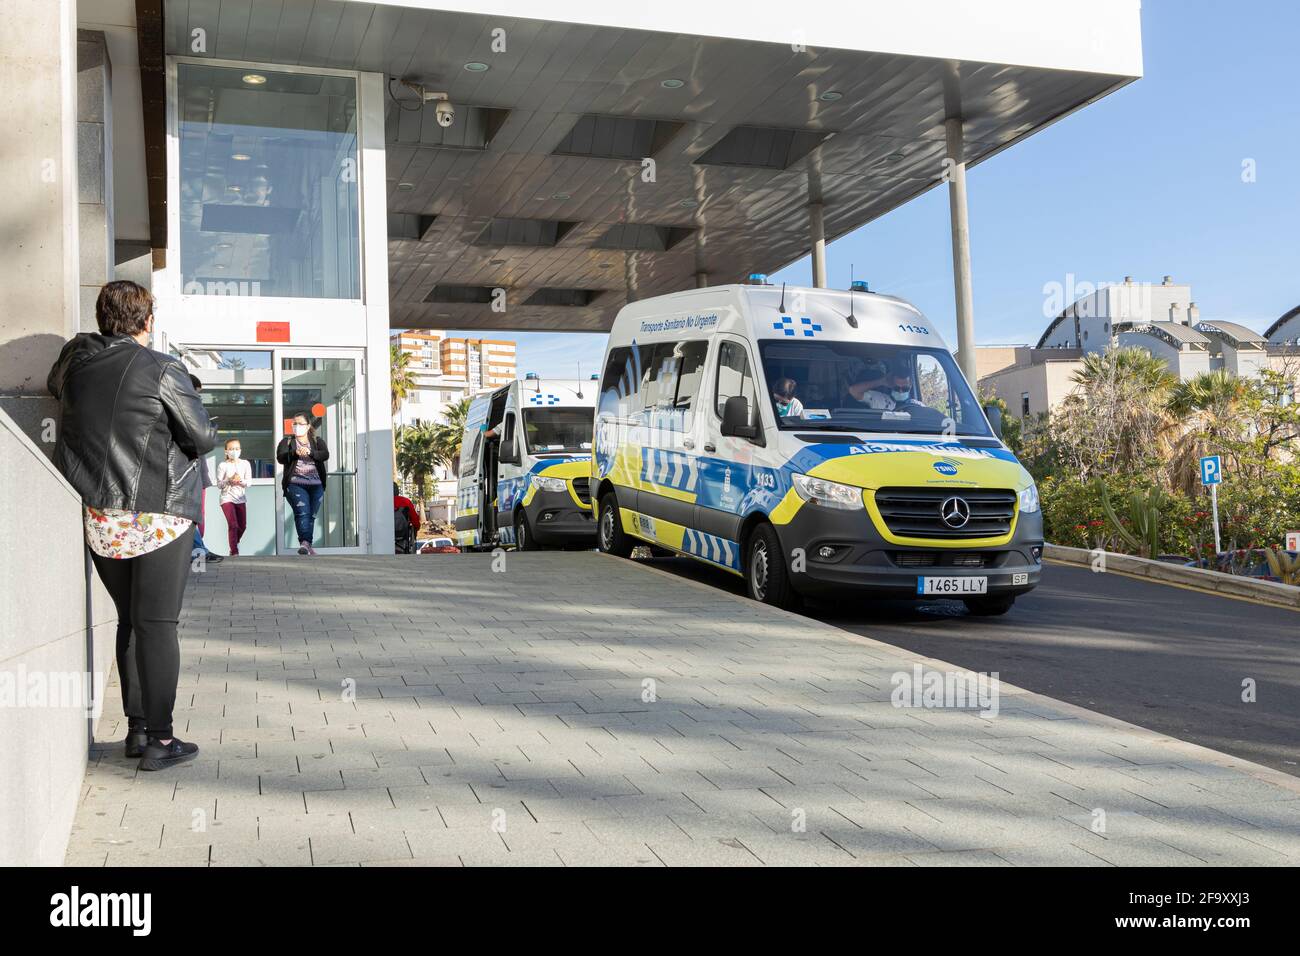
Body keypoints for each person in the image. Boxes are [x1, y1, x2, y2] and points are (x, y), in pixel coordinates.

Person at [47, 279, 215, 771]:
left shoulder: (75, 361)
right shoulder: (162, 368)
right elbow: (201, 436)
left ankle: (138, 732)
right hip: (158, 513)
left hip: (102, 517)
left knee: (130, 621)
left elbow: (55, 381)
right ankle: (162, 742)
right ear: (148, 321)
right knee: (158, 624)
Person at [277, 411, 329, 555]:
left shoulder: (318, 441)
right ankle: (305, 543)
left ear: (307, 426)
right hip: (295, 484)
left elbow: (325, 455)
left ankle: (307, 545)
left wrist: (311, 453)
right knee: (302, 513)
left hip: (316, 485)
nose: (297, 426)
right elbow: (280, 458)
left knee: (310, 515)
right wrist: (295, 453)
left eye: (300, 423)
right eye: (294, 423)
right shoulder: (286, 442)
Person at [187, 374, 223, 564]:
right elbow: (204, 439)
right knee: (191, 516)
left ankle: (198, 553)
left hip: (197, 473)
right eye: (196, 393)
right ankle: (199, 553)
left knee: (195, 516)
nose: (197, 397)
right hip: (189, 474)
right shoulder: (188, 408)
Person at [217, 438, 252, 555]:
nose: (234, 451)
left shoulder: (245, 463)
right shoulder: (223, 465)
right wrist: (229, 480)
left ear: (240, 450)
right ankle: (234, 551)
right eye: (231, 449)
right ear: (226, 451)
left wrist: (240, 480)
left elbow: (249, 482)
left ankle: (234, 542)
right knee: (233, 525)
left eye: (237, 448)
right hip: (227, 498)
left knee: (242, 526)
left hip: (240, 498)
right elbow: (219, 484)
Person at [848, 360, 918, 410]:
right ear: (891, 385)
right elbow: (853, 390)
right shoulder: (880, 400)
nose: (900, 392)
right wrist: (881, 381)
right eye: (896, 388)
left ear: (911, 385)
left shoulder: (916, 405)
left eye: (905, 389)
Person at [393, 482, 421, 553]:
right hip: (403, 533)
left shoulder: (383, 502)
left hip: (385, 533)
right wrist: (416, 530)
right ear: (398, 491)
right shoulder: (406, 502)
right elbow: (415, 520)